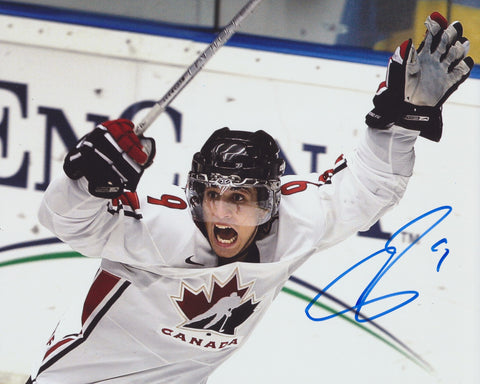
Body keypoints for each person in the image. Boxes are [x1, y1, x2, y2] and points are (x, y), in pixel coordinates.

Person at [27, 12, 473, 384]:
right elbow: (68, 222)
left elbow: (370, 186)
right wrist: (86, 182)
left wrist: (399, 123)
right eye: (211, 195)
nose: (221, 211)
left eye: (241, 198)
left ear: (272, 202)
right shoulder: (162, 228)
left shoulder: (296, 225)